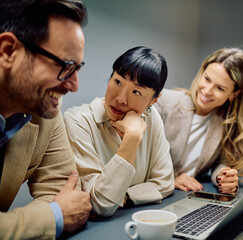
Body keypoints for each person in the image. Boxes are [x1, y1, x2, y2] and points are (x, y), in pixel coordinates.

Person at [0, 0, 92, 239]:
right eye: (65, 66)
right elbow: (62, 210)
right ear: (8, 51)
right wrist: (53, 216)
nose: (74, 85)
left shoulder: (44, 109)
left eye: (77, 68)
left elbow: (64, 191)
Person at [63, 46, 174, 217]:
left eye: (136, 91)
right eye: (117, 82)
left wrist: (126, 196)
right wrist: (132, 139)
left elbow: (165, 182)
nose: (120, 99)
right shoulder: (77, 121)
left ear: (153, 101)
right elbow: (99, 204)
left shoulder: (152, 118)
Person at [154, 47, 243, 195]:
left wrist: (224, 177)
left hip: (187, 194)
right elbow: (141, 160)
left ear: (234, 94)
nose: (207, 90)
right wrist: (170, 180)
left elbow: (220, 162)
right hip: (156, 194)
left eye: (220, 88)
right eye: (207, 79)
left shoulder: (226, 123)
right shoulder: (163, 101)